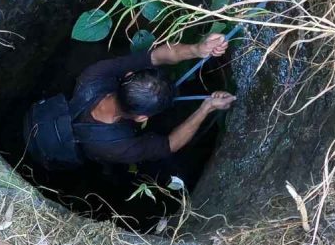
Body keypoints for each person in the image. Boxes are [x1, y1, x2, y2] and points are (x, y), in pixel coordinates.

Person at [24, 33, 236, 170]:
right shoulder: (116, 147)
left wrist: (197, 49)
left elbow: (155, 57)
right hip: (60, 148)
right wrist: (205, 108)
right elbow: (169, 145)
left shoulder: (94, 76)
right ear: (141, 118)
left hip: (45, 118)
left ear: (128, 76)